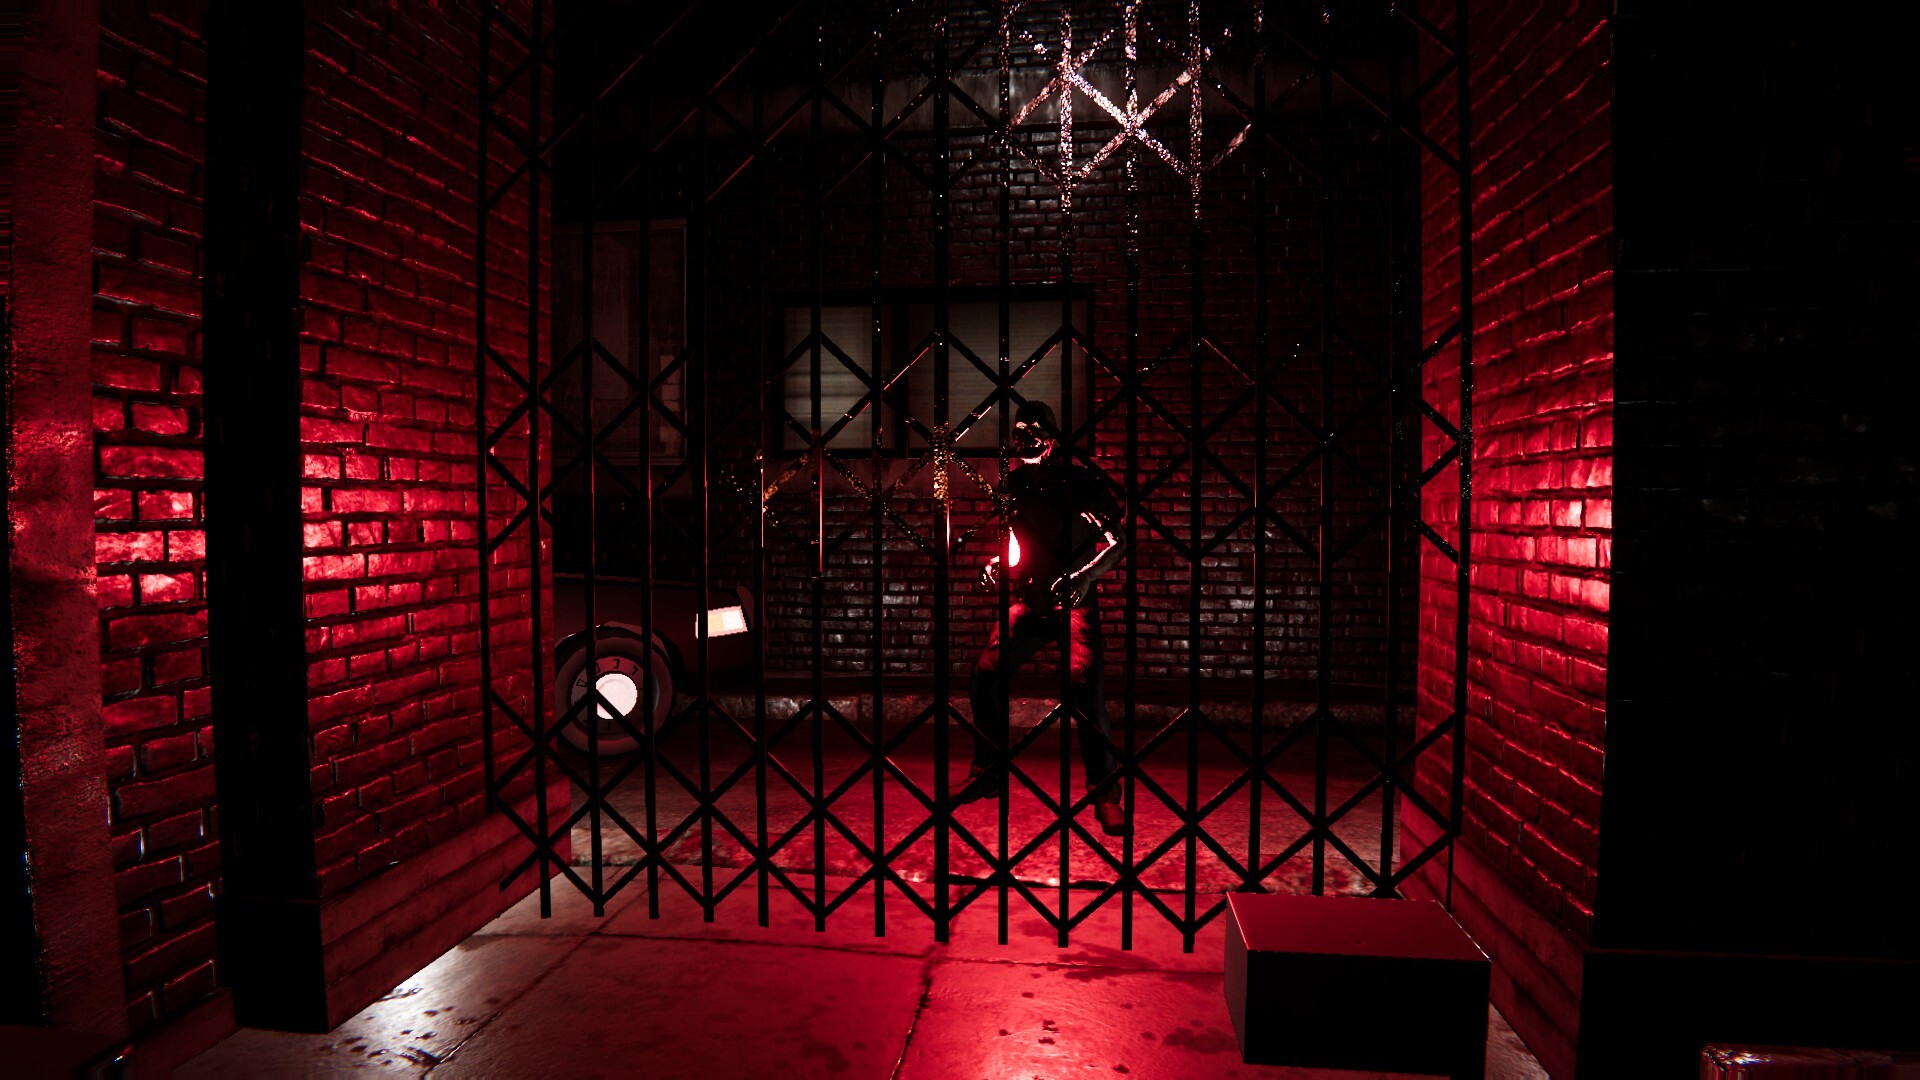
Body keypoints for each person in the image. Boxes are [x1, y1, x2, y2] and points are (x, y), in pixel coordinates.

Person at [955, 400, 1128, 835]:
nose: (1026, 437)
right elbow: (1016, 543)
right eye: (1019, 430)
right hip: (1030, 601)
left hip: (1073, 604)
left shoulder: (1079, 482)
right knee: (985, 677)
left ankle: (1106, 793)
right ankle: (989, 771)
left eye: (1034, 429)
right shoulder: (1014, 485)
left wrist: (1083, 578)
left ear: (1052, 438)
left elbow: (1117, 542)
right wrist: (999, 564)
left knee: (1085, 695)